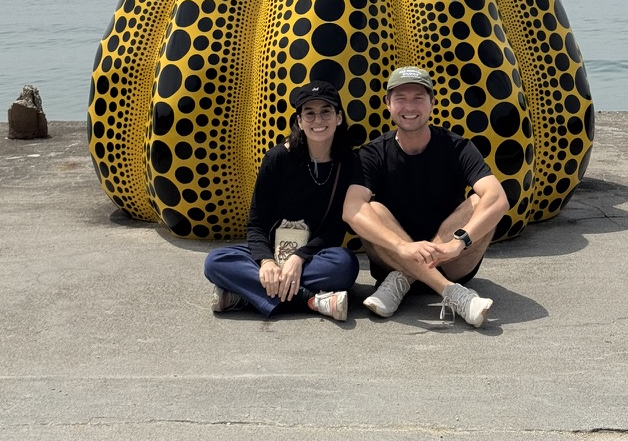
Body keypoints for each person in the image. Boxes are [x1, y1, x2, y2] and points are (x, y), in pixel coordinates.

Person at [343, 66, 509, 328]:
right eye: (401, 98)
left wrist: (459, 243)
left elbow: (498, 199)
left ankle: (405, 279)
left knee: (481, 202)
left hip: (451, 261)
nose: (409, 106)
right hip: (393, 259)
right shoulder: (373, 154)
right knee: (370, 208)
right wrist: (402, 247)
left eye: (418, 98)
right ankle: (451, 292)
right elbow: (351, 209)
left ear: (432, 103)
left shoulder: (458, 147)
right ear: (388, 104)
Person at [204, 80, 359, 321]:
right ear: (299, 121)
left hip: (313, 257)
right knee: (215, 262)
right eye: (309, 113)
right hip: (271, 251)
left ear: (338, 118)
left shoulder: (348, 164)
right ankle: (311, 300)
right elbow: (256, 223)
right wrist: (266, 262)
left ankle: (245, 296)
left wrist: (299, 257)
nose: (318, 120)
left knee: (345, 265)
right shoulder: (277, 159)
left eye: (326, 112)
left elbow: (335, 229)